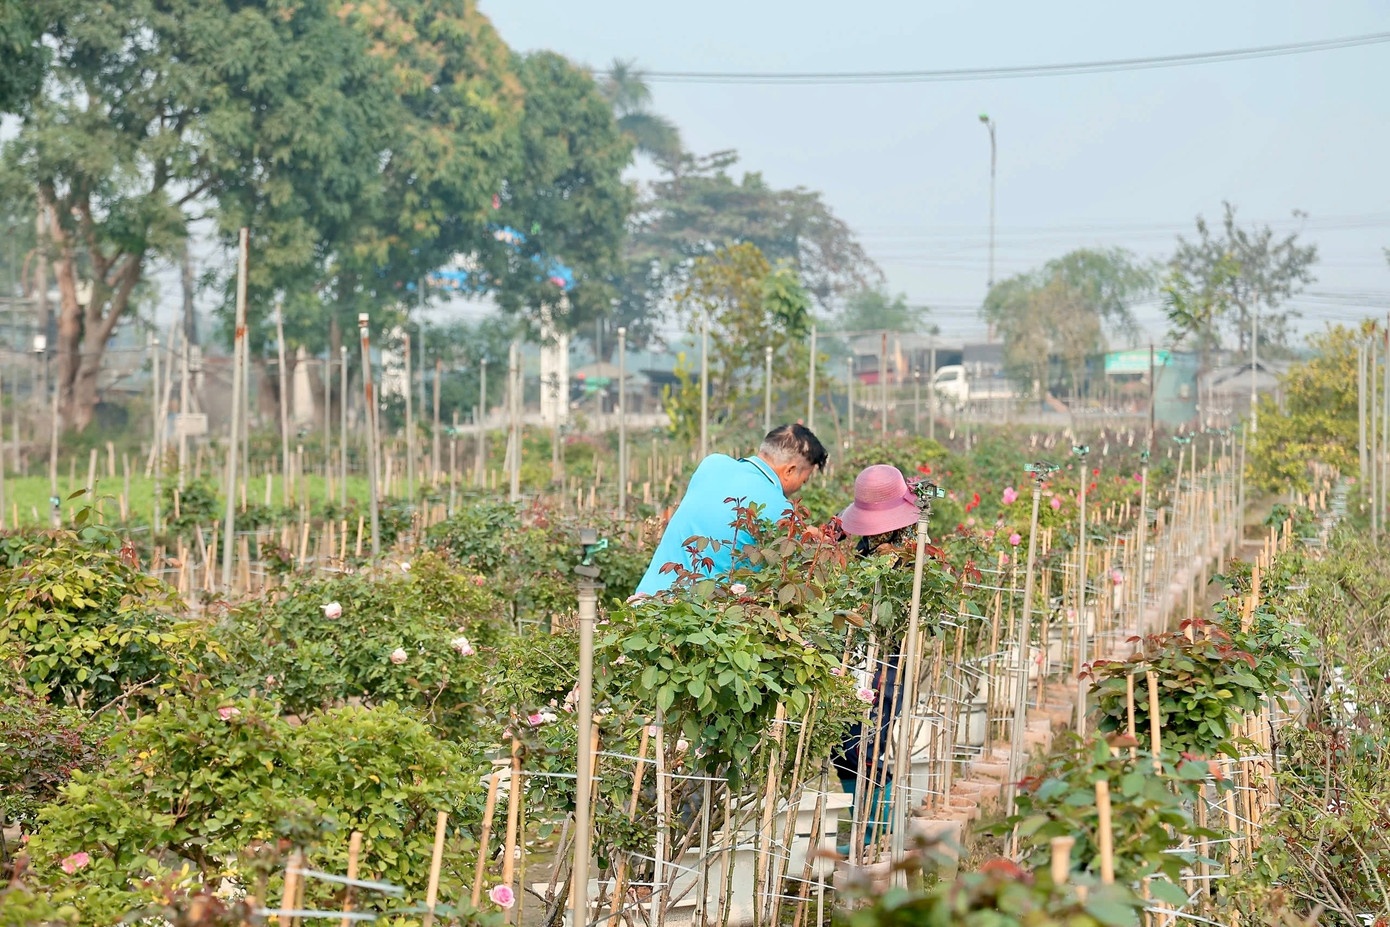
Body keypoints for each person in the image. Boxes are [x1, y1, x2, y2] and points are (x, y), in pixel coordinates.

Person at [830, 464, 923, 856]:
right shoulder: (854, 547)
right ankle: (867, 828)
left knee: (867, 743)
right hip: (850, 653)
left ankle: (874, 833)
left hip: (886, 659)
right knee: (842, 743)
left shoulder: (912, 551)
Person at [634, 424, 828, 595]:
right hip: (695, 622)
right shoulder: (782, 510)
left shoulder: (711, 464)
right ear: (790, 470)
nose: (801, 486)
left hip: (644, 602)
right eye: (805, 479)